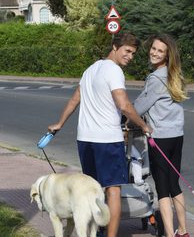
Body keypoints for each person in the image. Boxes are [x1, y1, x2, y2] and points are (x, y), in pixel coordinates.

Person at [48, 33, 152, 237]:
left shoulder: (90, 69)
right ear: (115, 47)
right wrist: (143, 125)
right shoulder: (114, 71)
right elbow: (123, 105)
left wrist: (60, 123)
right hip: (107, 140)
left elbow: (74, 99)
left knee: (94, 189)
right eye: (127, 51)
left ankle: (95, 232)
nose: (130, 57)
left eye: (133, 53)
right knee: (113, 190)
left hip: (85, 139)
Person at [132, 34, 189, 237]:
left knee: (163, 189)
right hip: (177, 136)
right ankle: (183, 231)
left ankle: (170, 235)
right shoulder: (175, 75)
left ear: (166, 56)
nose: (154, 53)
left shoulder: (156, 78)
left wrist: (123, 115)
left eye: (160, 51)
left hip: (161, 139)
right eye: (153, 48)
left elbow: (138, 107)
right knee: (175, 184)